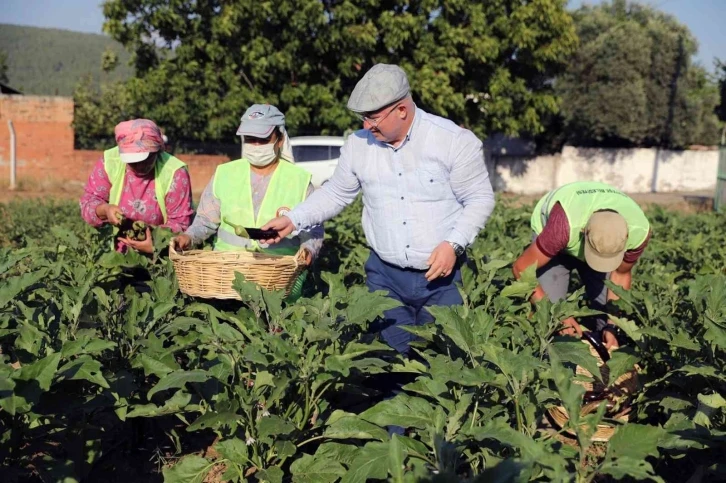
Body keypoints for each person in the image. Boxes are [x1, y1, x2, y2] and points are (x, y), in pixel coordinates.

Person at [260, 64, 496, 356]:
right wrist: (292, 219)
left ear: (401, 110)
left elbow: (480, 198)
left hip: (441, 279)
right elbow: (335, 192)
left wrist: (454, 243)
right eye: (363, 117)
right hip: (385, 277)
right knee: (390, 362)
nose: (367, 126)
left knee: (442, 364)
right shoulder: (358, 146)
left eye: (373, 117)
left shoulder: (452, 141)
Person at [172, 104, 323, 300]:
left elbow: (313, 230)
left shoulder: (299, 181)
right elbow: (204, 221)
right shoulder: (224, 174)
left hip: (278, 278)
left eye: (263, 139)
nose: (256, 145)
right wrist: (188, 237)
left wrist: (308, 250)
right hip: (225, 277)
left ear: (280, 139)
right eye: (251, 139)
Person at [512, 181, 652, 349]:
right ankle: (545, 359)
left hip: (581, 234)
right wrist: (554, 313)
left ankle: (599, 355)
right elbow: (521, 268)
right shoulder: (563, 226)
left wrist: (612, 325)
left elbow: (621, 275)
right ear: (584, 232)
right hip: (555, 239)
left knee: (604, 313)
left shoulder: (639, 232)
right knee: (548, 320)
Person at [80, 119, 194, 253]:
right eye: (133, 161)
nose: (139, 166)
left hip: (161, 256)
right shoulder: (110, 162)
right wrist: (105, 210)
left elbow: (181, 224)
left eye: (145, 159)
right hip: (112, 256)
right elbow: (88, 203)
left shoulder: (175, 172)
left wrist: (155, 244)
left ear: (157, 151)